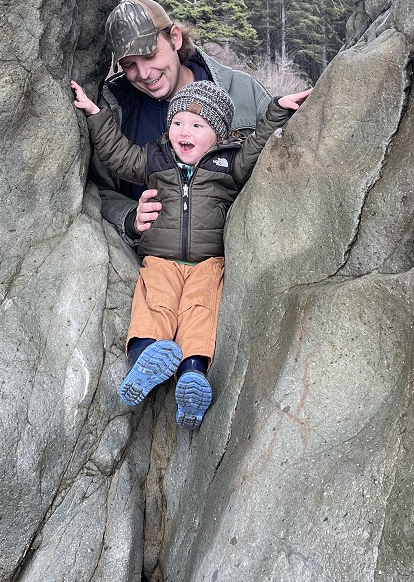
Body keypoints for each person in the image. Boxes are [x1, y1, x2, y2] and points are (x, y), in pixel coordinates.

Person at [71, 77, 311, 430]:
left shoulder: (230, 164)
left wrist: (277, 110)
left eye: (198, 125)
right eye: (178, 122)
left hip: (208, 262)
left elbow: (259, 144)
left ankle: (192, 376)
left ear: (218, 134)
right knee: (156, 302)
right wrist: (94, 113)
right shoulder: (155, 158)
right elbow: (117, 154)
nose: (185, 131)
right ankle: (145, 358)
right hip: (161, 258)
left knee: (202, 312)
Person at [91, 0, 273, 248]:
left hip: (240, 256)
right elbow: (95, 189)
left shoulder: (243, 91)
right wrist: (130, 216)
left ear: (175, 38)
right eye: (130, 65)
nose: (144, 74)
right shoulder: (114, 109)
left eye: (150, 54)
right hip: (151, 264)